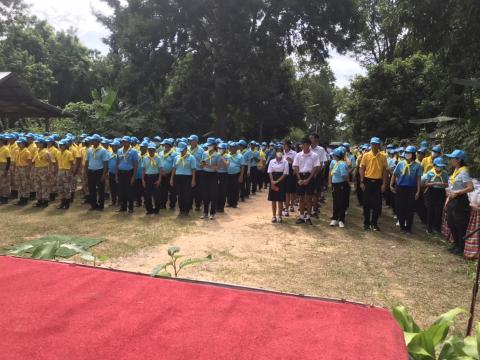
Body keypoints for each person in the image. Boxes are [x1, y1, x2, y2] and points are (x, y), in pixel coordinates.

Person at [445, 149, 474, 255]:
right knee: (451, 223)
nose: (450, 160)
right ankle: (456, 244)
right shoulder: (455, 170)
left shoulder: (464, 171)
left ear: (458, 160)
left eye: (452, 158)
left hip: (460, 201)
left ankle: (461, 248)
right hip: (453, 200)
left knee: (460, 225)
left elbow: (470, 187)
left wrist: (457, 193)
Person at [390, 146, 422, 233]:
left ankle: (408, 227)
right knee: (400, 207)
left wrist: (418, 191)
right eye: (406, 153)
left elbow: (418, 179)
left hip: (412, 188)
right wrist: (391, 185)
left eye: (409, 153)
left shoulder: (418, 166)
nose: (407, 155)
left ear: (413, 154)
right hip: (400, 188)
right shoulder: (400, 163)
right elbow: (394, 174)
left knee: (410, 208)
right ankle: (402, 226)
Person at [359, 137, 388, 231]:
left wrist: (384, 184)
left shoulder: (383, 156)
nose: (375, 146)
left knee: (377, 204)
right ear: (370, 144)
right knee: (366, 203)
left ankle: (374, 223)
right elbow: (362, 169)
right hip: (367, 181)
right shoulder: (366, 155)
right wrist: (362, 181)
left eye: (376, 144)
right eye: (373, 144)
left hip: (378, 182)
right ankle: (366, 223)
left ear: (379, 145)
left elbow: (384, 171)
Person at [293, 137, 320, 225]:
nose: (303, 146)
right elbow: (295, 167)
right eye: (302, 144)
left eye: (305, 144)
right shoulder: (298, 155)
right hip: (300, 175)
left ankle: (308, 217)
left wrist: (308, 179)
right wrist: (299, 179)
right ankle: (301, 217)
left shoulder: (314, 155)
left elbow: (315, 168)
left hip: (310, 176)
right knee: (301, 198)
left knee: (309, 198)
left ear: (309, 145)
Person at [170, 142, 196, 217]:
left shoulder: (191, 157)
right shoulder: (176, 157)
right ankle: (181, 210)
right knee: (180, 194)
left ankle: (186, 210)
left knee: (187, 194)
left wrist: (193, 180)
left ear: (186, 149)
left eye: (183, 150)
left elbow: (193, 169)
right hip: (178, 177)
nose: (181, 151)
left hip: (187, 178)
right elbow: (174, 168)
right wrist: (171, 178)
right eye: (180, 150)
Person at [424, 157, 448, 234]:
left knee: (439, 210)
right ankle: (429, 227)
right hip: (431, 192)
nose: (439, 168)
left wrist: (442, 184)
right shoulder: (430, 173)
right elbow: (426, 183)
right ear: (434, 165)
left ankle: (437, 228)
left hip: (441, 192)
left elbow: (447, 185)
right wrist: (434, 183)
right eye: (438, 166)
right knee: (430, 210)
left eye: (441, 166)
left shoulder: (445, 173)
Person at [85, 134, 109, 211]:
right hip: (91, 171)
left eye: (94, 140)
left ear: (98, 141)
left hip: (99, 171)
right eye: (92, 140)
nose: (92, 141)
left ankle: (101, 205)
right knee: (92, 189)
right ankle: (93, 205)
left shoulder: (103, 150)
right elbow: (87, 161)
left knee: (101, 189)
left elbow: (105, 163)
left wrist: (104, 174)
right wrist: (86, 170)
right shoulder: (89, 150)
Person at [116, 136, 139, 213]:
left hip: (129, 173)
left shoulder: (134, 151)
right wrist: (116, 174)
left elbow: (136, 164)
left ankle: (131, 207)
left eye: (125, 141)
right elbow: (117, 162)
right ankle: (123, 207)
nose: (123, 143)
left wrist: (133, 176)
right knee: (121, 191)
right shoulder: (119, 151)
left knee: (130, 191)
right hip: (121, 173)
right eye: (122, 141)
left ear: (129, 143)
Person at [328, 147, 350, 228]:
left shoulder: (342, 164)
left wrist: (348, 183)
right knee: (335, 201)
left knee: (341, 202)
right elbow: (331, 173)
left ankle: (341, 220)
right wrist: (330, 183)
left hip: (341, 185)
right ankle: (334, 218)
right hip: (335, 185)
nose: (332, 156)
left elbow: (344, 175)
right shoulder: (335, 162)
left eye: (334, 155)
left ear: (337, 156)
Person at [267, 147, 289, 223]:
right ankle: (274, 216)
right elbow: (269, 172)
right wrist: (272, 181)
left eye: (280, 151)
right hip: (273, 179)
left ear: (282, 153)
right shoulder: (271, 161)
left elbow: (285, 173)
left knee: (280, 200)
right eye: (277, 151)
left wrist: (278, 181)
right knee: (273, 200)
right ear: (275, 152)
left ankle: (279, 216)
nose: (279, 153)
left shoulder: (285, 162)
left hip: (281, 181)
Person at [200, 138, 220, 219]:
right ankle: (205, 213)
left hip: (213, 175)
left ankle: (212, 213)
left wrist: (208, 165)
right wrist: (202, 165)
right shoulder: (204, 153)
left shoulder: (218, 155)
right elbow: (201, 165)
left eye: (211, 145)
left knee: (213, 194)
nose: (209, 146)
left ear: (214, 145)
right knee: (205, 194)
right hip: (205, 174)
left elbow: (217, 167)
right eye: (208, 145)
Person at [142, 143, 162, 215]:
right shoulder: (145, 158)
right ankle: (149, 210)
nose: (151, 151)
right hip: (147, 177)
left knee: (156, 195)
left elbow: (160, 169)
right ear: (148, 150)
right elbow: (144, 169)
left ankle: (157, 209)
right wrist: (143, 180)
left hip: (155, 177)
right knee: (147, 195)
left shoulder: (158, 158)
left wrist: (159, 179)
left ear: (155, 150)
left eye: (152, 150)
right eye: (150, 150)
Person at [32, 137, 52, 208]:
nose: (36, 144)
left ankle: (45, 201)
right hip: (37, 169)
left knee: (44, 186)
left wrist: (49, 172)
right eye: (36, 143)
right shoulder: (37, 151)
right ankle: (39, 200)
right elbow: (34, 161)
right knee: (38, 186)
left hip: (44, 170)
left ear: (42, 144)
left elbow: (50, 162)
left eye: (38, 143)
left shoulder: (46, 152)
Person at [55, 140, 75, 210]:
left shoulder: (69, 153)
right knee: (60, 187)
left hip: (67, 171)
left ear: (66, 145)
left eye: (62, 145)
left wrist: (71, 172)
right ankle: (62, 202)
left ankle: (67, 203)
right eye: (60, 145)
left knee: (67, 187)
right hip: (60, 171)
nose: (61, 146)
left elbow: (72, 163)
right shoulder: (58, 153)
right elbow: (57, 162)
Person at [14, 137, 32, 206]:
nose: (19, 144)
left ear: (24, 144)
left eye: (20, 143)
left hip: (24, 168)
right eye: (18, 143)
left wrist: (28, 171)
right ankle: (21, 198)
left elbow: (29, 162)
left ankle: (25, 199)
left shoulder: (27, 151)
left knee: (25, 184)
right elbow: (16, 161)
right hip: (18, 168)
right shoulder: (17, 151)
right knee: (19, 184)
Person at [188, 135, 204, 211]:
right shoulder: (187, 149)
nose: (190, 142)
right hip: (189, 172)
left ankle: (198, 205)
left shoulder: (201, 150)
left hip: (198, 172)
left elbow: (204, 161)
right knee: (189, 190)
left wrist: (202, 164)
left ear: (196, 141)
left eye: (192, 140)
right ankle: (189, 205)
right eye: (190, 140)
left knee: (198, 190)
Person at [159, 139, 176, 210]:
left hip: (171, 175)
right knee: (163, 190)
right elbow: (158, 163)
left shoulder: (174, 153)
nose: (164, 146)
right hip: (162, 174)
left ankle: (172, 205)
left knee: (172, 191)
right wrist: (162, 172)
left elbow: (174, 165)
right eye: (163, 145)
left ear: (169, 146)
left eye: (165, 145)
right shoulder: (160, 153)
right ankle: (163, 205)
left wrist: (169, 172)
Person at [226, 142, 244, 208]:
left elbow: (242, 167)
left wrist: (241, 176)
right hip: (228, 174)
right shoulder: (227, 155)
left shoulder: (240, 156)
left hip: (236, 175)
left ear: (236, 148)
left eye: (232, 147)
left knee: (235, 189)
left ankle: (234, 203)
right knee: (228, 189)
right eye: (230, 147)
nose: (230, 148)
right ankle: (229, 202)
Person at [283, 140, 297, 217]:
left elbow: (297, 164)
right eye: (283, 145)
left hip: (291, 173)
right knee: (285, 191)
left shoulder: (294, 153)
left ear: (288, 146)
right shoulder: (282, 153)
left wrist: (291, 161)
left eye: (285, 145)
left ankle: (291, 205)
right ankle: (286, 207)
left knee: (291, 191)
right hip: (284, 172)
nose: (283, 147)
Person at [217, 142, 230, 213]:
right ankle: (216, 206)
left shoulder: (227, 156)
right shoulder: (216, 155)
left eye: (221, 149)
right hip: (217, 174)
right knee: (217, 191)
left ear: (224, 149)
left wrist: (222, 157)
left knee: (222, 191)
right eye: (219, 148)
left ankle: (221, 207)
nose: (219, 150)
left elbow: (227, 165)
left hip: (224, 174)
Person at [108, 140, 120, 206]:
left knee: (118, 188)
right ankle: (113, 201)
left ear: (118, 146)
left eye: (114, 146)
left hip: (118, 173)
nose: (112, 147)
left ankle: (119, 201)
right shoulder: (109, 153)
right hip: (111, 173)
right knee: (112, 188)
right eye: (112, 146)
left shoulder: (120, 154)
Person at [0, 135, 11, 204]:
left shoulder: (6, 149)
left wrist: (6, 170)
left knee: (4, 183)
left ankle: (4, 198)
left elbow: (9, 161)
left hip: (4, 166)